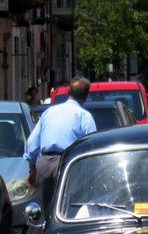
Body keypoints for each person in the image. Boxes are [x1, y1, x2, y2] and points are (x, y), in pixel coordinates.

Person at [24, 76, 97, 210]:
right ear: (85, 97)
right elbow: (90, 146)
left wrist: (32, 169)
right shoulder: (84, 116)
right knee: (67, 209)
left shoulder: (49, 112)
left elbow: (32, 142)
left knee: (47, 210)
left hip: (45, 164)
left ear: (68, 93)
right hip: (68, 163)